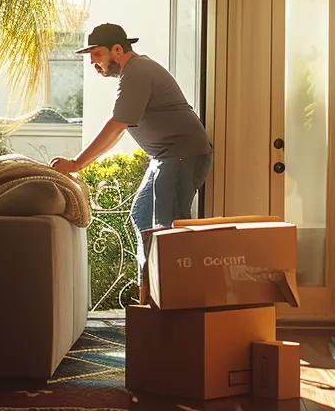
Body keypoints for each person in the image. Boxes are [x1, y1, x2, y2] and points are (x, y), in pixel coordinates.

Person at [50, 22, 214, 274]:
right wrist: (79, 164)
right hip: (165, 157)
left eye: (97, 54)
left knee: (168, 231)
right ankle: (150, 288)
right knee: (143, 215)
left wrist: (76, 164)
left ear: (117, 49)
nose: (93, 62)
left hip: (180, 155)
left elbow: (116, 125)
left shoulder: (137, 72)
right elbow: (119, 127)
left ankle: (174, 290)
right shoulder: (134, 72)